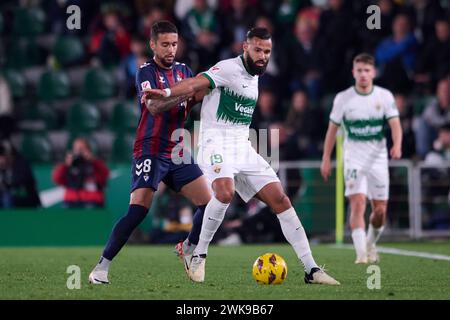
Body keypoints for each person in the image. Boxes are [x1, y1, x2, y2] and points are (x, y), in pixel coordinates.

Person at [143, 27, 340, 285]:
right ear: (245, 47)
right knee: (224, 192)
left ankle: (311, 269)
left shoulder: (256, 75)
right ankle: (197, 254)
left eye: (267, 51)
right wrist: (168, 93)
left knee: (281, 199)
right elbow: (194, 84)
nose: (263, 56)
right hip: (214, 144)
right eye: (258, 49)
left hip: (243, 147)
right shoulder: (227, 68)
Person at [88, 21, 214, 284]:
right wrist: (185, 95)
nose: (171, 49)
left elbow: (188, 104)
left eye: (174, 44)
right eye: (165, 44)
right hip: (150, 149)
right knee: (138, 211)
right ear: (153, 45)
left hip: (177, 149)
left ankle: (188, 247)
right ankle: (101, 267)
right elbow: (155, 107)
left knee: (209, 202)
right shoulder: (145, 72)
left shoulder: (184, 70)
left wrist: (196, 95)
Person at [320, 53, 403, 264]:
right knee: (357, 203)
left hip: (378, 159)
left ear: (373, 72)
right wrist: (326, 158)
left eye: (367, 70)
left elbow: (395, 125)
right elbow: (332, 130)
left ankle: (370, 243)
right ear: (353, 73)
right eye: (359, 71)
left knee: (380, 212)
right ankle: (361, 254)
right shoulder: (343, 98)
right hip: (353, 159)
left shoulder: (384, 97)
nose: (363, 75)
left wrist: (397, 145)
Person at [52, 138, 109, 208]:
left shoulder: (95, 163)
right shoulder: (69, 164)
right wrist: (65, 165)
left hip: (92, 200)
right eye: (77, 149)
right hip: (71, 200)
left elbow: (105, 176)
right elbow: (57, 179)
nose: (79, 152)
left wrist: (94, 161)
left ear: (89, 150)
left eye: (82, 149)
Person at [0, 139, 41, 209]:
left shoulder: (21, 164)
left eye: (3, 156)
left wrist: (5, 184)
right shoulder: (3, 169)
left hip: (25, 199)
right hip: (8, 199)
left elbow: (21, 181)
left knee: (8, 198)